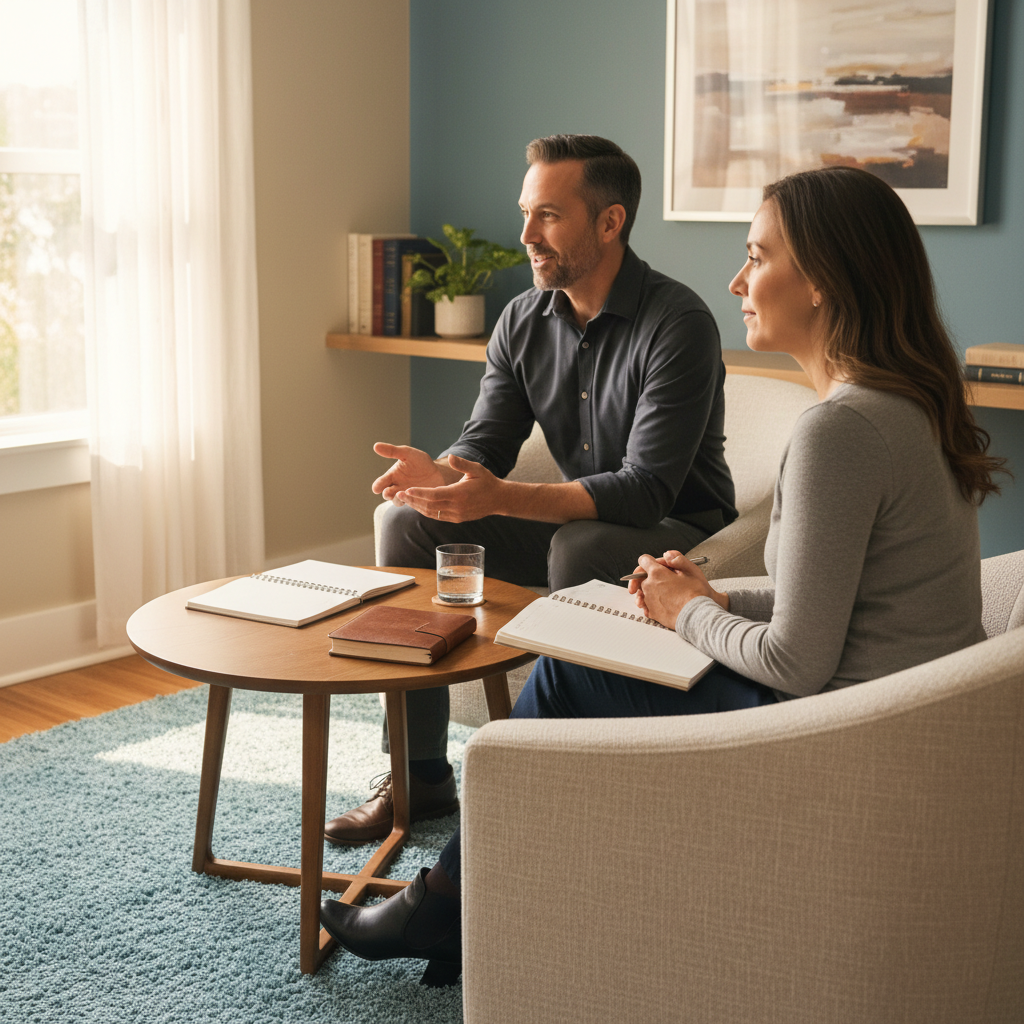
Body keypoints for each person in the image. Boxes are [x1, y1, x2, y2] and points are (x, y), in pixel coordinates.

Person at [318, 165, 1007, 986]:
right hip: (891, 716)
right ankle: (486, 887)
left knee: (571, 675)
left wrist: (686, 614)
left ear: (821, 280)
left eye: (757, 256)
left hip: (841, 732)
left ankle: (448, 906)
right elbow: (837, 603)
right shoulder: (902, 407)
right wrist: (708, 597)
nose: (738, 280)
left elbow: (798, 661)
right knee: (597, 631)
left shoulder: (839, 432)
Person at [323, 135, 736, 847]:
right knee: (404, 525)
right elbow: (486, 443)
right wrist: (444, 475)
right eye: (526, 213)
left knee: (583, 545)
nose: (525, 236)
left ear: (610, 222)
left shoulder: (679, 323)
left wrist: (498, 498)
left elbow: (643, 492)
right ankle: (419, 774)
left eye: (548, 215)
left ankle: (559, 778)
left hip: (678, 529)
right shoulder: (522, 319)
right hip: (578, 518)